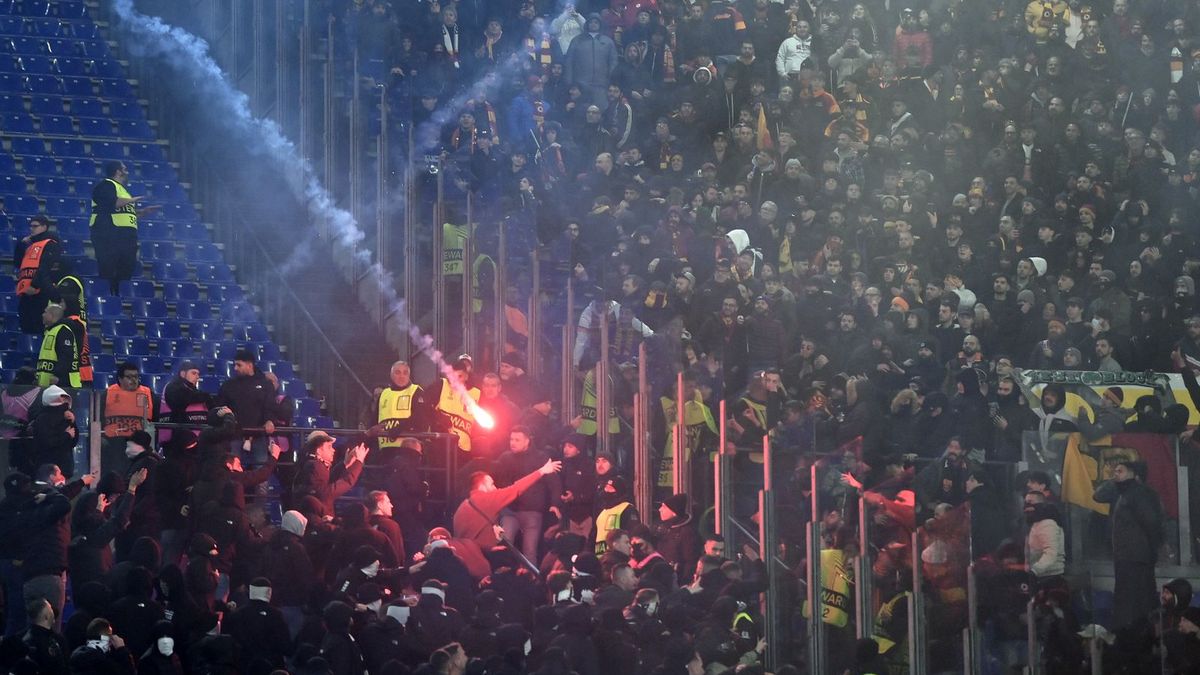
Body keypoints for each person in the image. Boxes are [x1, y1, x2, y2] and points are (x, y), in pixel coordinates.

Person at [1094, 459, 1164, 631]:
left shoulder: (1139, 494)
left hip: (1136, 556)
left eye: (1121, 471)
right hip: (1126, 555)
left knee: (1135, 600)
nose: (1116, 474)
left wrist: (1155, 548)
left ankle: (1134, 635)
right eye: (1115, 471)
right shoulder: (1121, 492)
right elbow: (1097, 495)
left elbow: (1151, 522)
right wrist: (1115, 480)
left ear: (1135, 475)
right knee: (1127, 599)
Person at [452, 456, 562, 553]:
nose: (495, 488)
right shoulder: (487, 499)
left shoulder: (464, 505)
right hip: (479, 556)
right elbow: (516, 488)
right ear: (482, 487)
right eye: (492, 484)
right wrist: (542, 471)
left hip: (467, 553)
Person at [492, 425, 563, 565]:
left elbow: (554, 483)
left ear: (527, 441)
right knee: (505, 546)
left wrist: (555, 504)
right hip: (510, 510)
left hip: (532, 511)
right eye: (511, 439)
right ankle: (504, 576)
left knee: (529, 551)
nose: (512, 443)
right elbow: (499, 483)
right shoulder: (505, 458)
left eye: (517, 440)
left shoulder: (540, 458)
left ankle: (531, 581)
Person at [89, 160, 158, 296]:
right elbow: (111, 203)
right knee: (109, 268)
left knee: (127, 267)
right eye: (124, 169)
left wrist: (142, 212)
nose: (127, 172)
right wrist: (133, 200)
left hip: (125, 236)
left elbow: (124, 212)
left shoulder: (123, 190)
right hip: (109, 233)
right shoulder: (106, 185)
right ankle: (108, 296)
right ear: (118, 171)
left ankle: (118, 294)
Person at [215, 349, 282, 467]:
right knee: (232, 468)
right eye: (235, 364)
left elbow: (270, 406)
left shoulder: (265, 385)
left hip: (258, 435)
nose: (235, 368)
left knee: (260, 469)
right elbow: (220, 406)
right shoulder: (229, 385)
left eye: (239, 365)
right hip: (234, 434)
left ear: (249, 365)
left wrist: (270, 420)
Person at [102, 362, 155, 477]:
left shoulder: (147, 393)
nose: (134, 380)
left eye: (136, 377)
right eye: (129, 377)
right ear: (120, 379)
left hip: (140, 441)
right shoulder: (108, 393)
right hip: (114, 441)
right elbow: (99, 418)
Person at [13, 215, 62, 334]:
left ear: (44, 227)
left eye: (35, 226)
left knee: (38, 326)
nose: (31, 229)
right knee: (26, 324)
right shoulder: (31, 245)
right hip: (27, 292)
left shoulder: (51, 243)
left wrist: (34, 286)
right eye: (30, 226)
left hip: (41, 292)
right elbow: (18, 264)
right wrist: (20, 246)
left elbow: (44, 268)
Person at [371, 360, 428, 456]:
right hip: (384, 449)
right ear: (391, 375)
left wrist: (400, 428)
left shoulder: (416, 391)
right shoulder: (384, 394)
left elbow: (420, 419)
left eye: (405, 373)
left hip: (408, 450)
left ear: (409, 375)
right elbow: (374, 420)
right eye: (397, 372)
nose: (402, 376)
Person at [157, 360, 212, 450]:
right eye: (194, 373)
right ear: (183, 374)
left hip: (195, 438)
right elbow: (184, 398)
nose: (197, 377)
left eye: (198, 374)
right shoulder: (172, 387)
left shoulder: (194, 391)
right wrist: (206, 397)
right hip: (175, 439)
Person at [35, 303, 81, 389]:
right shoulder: (50, 331)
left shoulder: (63, 330)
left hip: (61, 383)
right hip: (48, 383)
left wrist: (57, 375)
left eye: (45, 312)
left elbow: (66, 355)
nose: (43, 315)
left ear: (51, 315)